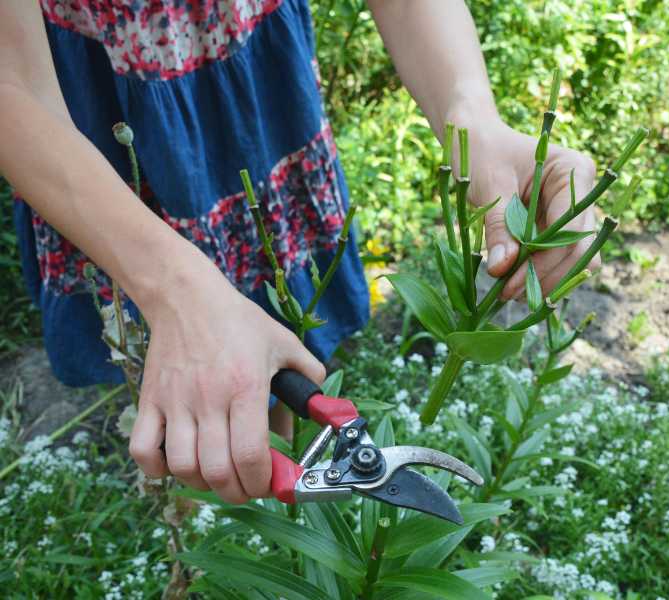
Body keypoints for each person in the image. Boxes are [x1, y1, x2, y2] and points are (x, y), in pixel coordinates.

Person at [0, 0, 598, 505]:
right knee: (190, 385)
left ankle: (281, 510)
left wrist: (472, 112)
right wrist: (174, 290)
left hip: (258, 83)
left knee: (273, 338)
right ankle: (212, 525)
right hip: (84, 131)